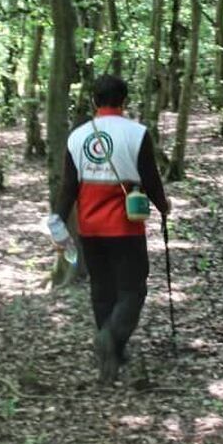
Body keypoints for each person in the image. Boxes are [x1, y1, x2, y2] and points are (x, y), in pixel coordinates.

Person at [54, 74, 171, 384]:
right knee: (134, 288)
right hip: (125, 226)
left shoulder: (77, 137)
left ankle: (113, 351)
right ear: (125, 100)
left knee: (102, 288)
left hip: (90, 227)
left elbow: (68, 187)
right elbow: (150, 176)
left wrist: (57, 222)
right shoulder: (137, 133)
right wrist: (163, 205)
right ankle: (111, 338)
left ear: (94, 100)